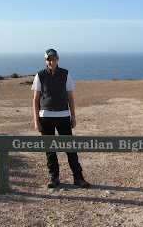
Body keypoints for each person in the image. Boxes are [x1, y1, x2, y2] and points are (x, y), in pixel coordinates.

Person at [31, 49, 90, 188]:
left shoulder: (65, 74)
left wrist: (73, 117)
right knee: (50, 149)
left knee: (70, 148)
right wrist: (36, 120)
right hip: (45, 117)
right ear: (45, 60)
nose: (52, 62)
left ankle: (78, 178)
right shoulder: (40, 75)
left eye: (54, 59)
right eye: (49, 59)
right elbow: (35, 99)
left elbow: (70, 97)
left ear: (58, 59)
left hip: (63, 115)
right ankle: (54, 177)